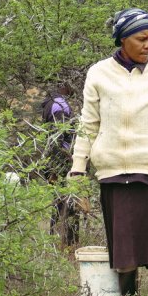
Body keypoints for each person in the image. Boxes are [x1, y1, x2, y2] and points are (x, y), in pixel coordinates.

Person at [68, 8, 148, 296]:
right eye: (142, 39)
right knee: (123, 252)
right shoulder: (99, 73)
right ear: (123, 39)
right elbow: (87, 125)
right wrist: (77, 170)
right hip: (113, 174)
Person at [41, 82, 82, 246]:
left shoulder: (50, 103)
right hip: (62, 163)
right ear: (64, 85)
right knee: (67, 203)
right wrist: (58, 168)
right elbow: (57, 139)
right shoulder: (60, 106)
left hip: (55, 162)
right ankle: (67, 245)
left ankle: (59, 243)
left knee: (60, 202)